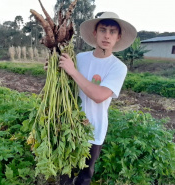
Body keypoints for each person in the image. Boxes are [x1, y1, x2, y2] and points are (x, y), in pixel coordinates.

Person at [58, 12, 137, 185]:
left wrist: (72, 71)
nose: (107, 35)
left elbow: (99, 96)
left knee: (85, 175)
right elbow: (63, 83)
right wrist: (53, 68)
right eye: (103, 30)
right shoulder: (79, 59)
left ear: (118, 37)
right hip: (70, 125)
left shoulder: (118, 67)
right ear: (95, 33)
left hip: (94, 129)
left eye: (112, 31)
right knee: (65, 172)